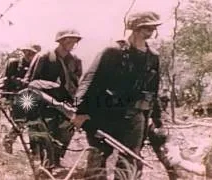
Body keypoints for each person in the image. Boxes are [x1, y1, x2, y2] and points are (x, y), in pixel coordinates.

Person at [71, 11, 177, 180]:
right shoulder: (113, 51)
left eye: (152, 28)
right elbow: (90, 81)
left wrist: (157, 120)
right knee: (98, 158)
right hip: (104, 114)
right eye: (146, 28)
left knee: (130, 159)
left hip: (134, 117)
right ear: (135, 28)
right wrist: (80, 111)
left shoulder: (153, 56)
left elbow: (153, 90)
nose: (150, 32)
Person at [23, 29, 83, 168]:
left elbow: (76, 85)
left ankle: (56, 161)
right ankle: (45, 166)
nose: (72, 43)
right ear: (61, 41)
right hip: (44, 102)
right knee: (45, 136)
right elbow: (31, 83)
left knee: (65, 133)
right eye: (69, 39)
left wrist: (75, 105)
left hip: (66, 103)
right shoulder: (44, 56)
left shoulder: (75, 60)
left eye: (75, 40)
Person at [1, 45, 41, 154]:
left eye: (31, 53)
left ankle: (35, 150)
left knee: (34, 124)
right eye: (26, 52)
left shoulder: (39, 65)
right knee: (21, 122)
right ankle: (8, 141)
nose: (28, 55)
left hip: (32, 97)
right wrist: (6, 98)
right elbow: (7, 81)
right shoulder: (15, 64)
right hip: (18, 97)